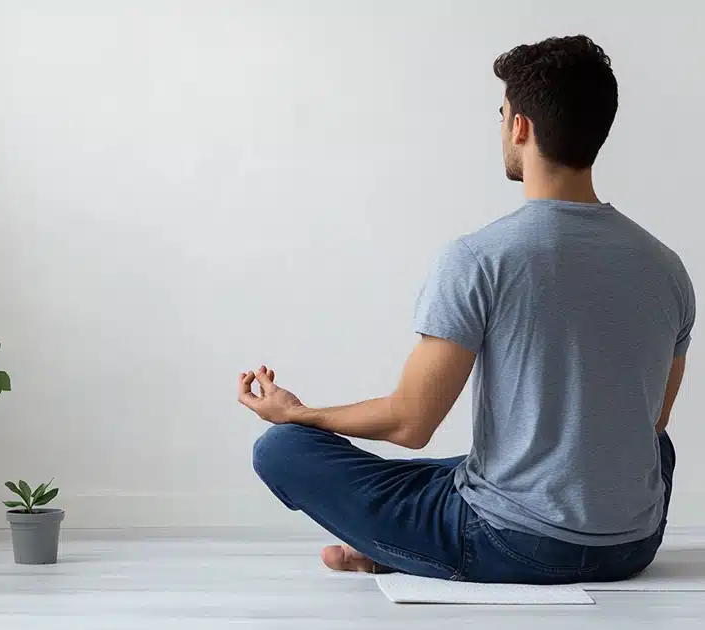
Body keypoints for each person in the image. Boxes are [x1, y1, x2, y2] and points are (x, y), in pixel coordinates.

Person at [238, 35, 695, 584]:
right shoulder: (667, 267)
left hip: (519, 545)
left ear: (520, 127)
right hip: (632, 544)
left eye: (502, 115)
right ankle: (406, 547)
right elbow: (652, 422)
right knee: (619, 448)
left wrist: (298, 412)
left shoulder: (481, 258)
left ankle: (416, 549)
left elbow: (411, 423)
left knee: (282, 449)